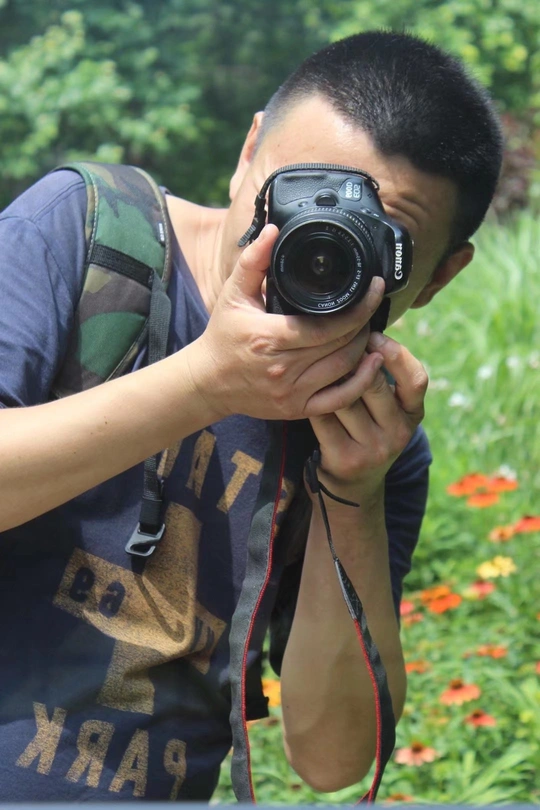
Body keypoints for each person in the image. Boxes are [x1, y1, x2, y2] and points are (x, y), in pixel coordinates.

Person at [0, 30, 502, 801]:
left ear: (437, 277)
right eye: (295, 199)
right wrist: (207, 384)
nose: (312, 246)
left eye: (376, 242)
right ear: (248, 153)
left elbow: (333, 761)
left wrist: (351, 499)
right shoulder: (87, 234)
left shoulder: (373, 442)